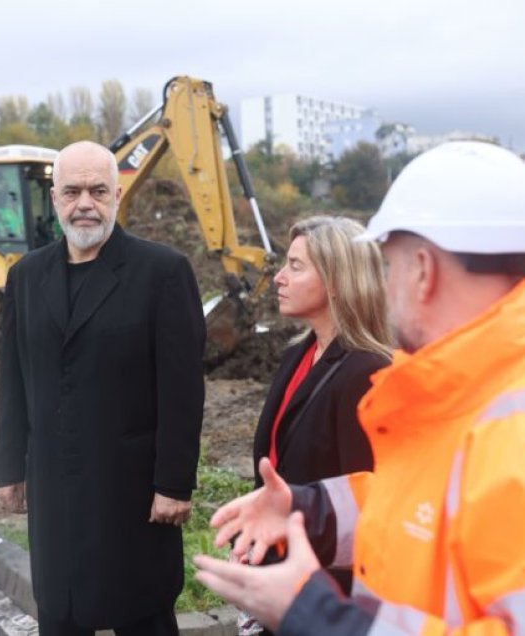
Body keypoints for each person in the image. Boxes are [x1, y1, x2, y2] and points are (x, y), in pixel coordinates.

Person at [193, 141, 525, 634]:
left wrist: (319, 616)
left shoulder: (508, 430)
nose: (382, 285)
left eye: (388, 266)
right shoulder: (469, 397)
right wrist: (309, 510)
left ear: (423, 271)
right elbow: (415, 504)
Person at [0, 140, 205, 635]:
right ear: (54, 199)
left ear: (116, 195)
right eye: (71, 191)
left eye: (97, 190)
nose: (84, 203)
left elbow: (182, 389)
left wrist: (173, 482)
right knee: (62, 613)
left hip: (130, 492)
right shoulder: (26, 277)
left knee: (142, 612)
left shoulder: (162, 272)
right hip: (54, 490)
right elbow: (13, 379)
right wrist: (8, 467)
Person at [238, 216, 391, 635]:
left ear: (338, 280)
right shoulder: (297, 357)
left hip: (324, 593)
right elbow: (274, 465)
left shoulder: (365, 373)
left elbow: (365, 506)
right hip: (284, 573)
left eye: (296, 266)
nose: (280, 278)